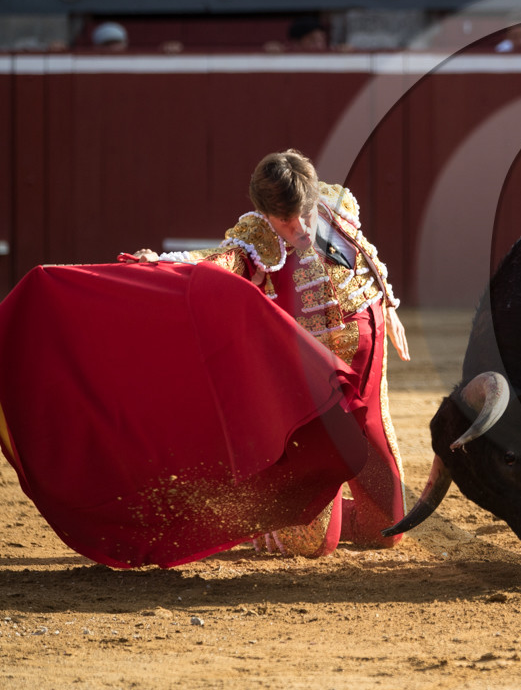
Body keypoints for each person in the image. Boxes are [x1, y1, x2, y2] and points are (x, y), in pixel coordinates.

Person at [127, 150, 410, 558]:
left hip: (366, 361)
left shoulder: (335, 201)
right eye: (285, 222)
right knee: (311, 541)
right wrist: (162, 265)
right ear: (265, 214)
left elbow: (365, 253)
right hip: (312, 380)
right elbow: (216, 264)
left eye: (303, 215)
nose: (300, 229)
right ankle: (257, 525)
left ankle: (294, 517)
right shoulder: (256, 235)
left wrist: (388, 304)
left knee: (387, 526)